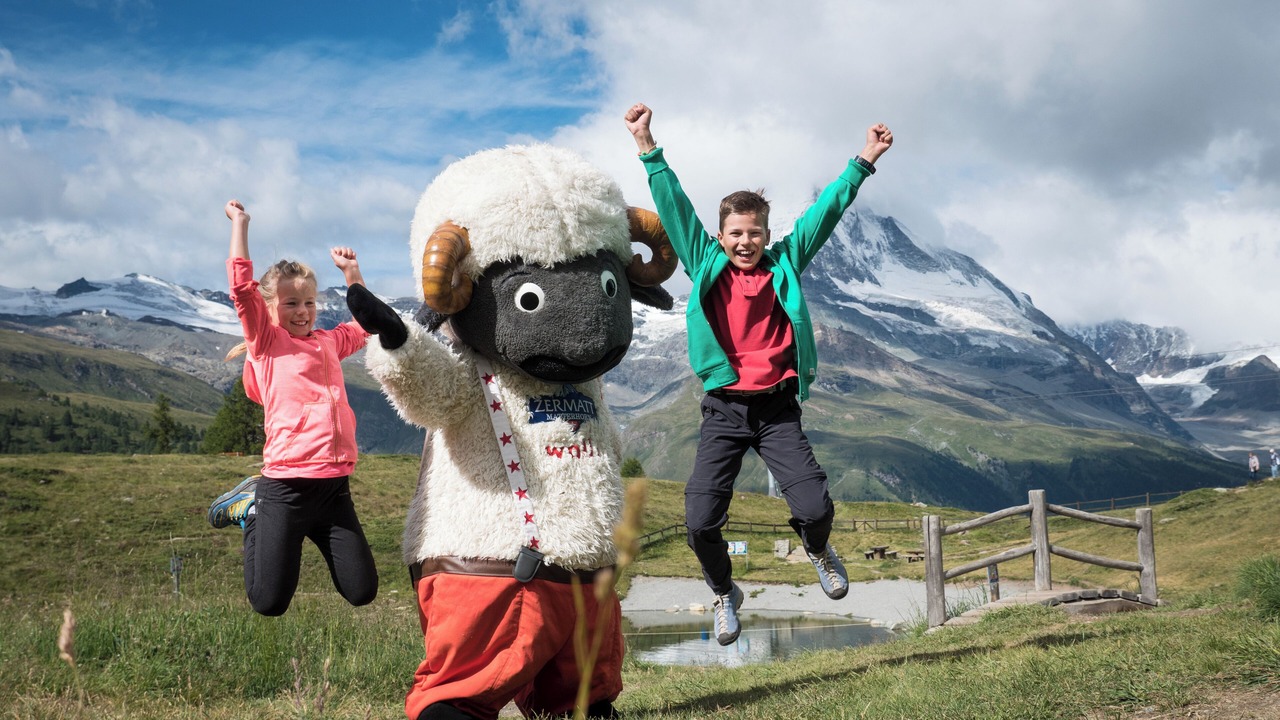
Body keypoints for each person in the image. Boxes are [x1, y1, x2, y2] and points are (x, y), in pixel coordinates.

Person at [624, 102, 892, 645]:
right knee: (700, 521)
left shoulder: (786, 263)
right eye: (735, 233)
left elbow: (826, 212)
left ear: (768, 235)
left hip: (776, 409)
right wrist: (646, 145)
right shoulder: (704, 262)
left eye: (754, 232)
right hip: (723, 409)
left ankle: (817, 549)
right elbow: (672, 205)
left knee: (815, 507)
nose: (745, 241)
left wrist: (864, 159)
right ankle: (725, 593)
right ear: (720, 236)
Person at [206, 199, 379, 616]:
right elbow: (241, 288)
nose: (303, 312)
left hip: (334, 489)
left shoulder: (329, 342)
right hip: (284, 489)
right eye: (291, 304)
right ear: (269, 309)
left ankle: (264, 514)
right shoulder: (266, 343)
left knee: (362, 591)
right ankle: (250, 510)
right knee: (269, 602)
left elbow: (365, 325)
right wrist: (240, 225)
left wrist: (352, 275)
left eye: (309, 303)